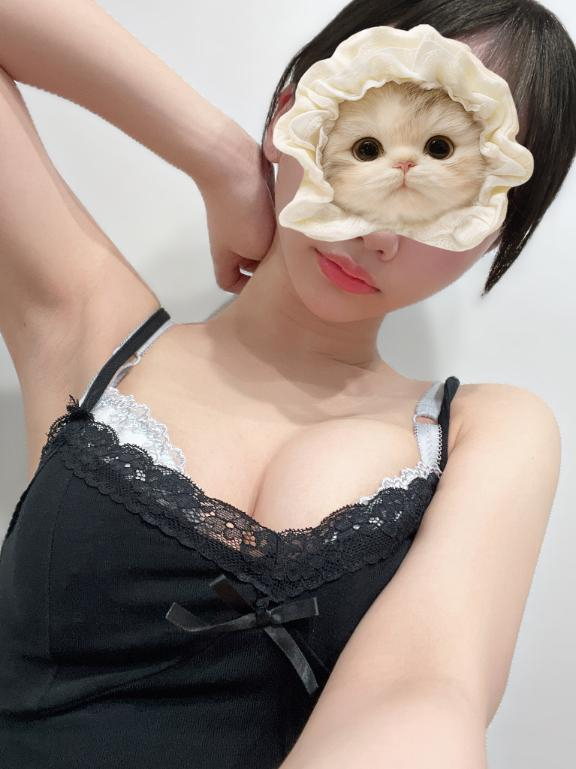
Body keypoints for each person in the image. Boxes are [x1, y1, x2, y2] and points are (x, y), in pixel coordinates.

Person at [0, 1, 572, 767]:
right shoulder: (90, 327)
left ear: (495, 230)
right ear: (295, 109)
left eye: (453, 176)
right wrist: (222, 157)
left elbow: (424, 689)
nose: (379, 232)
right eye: (364, 138)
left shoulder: (484, 431)